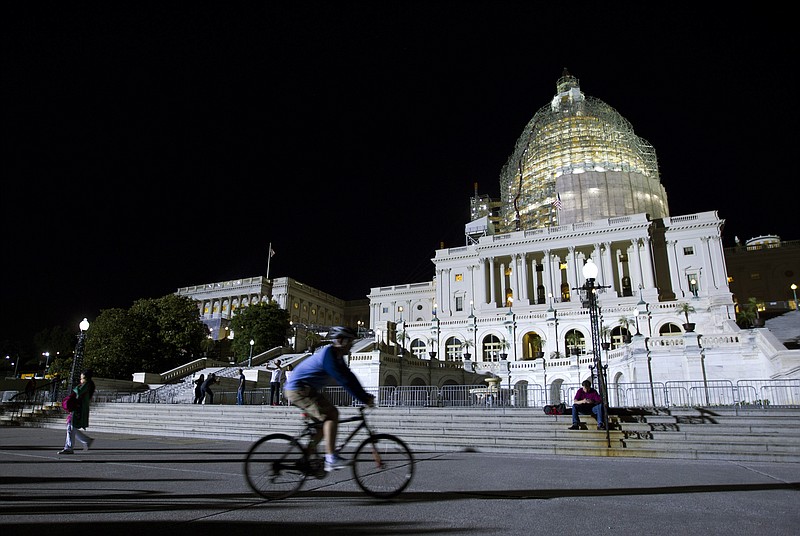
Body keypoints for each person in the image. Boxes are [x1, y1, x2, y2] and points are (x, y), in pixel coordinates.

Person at [284, 326, 375, 472]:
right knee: (332, 415)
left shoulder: (337, 357)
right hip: (299, 389)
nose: (352, 345)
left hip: (305, 389)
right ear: (340, 341)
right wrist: (363, 398)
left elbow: (349, 377)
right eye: (350, 341)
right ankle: (331, 458)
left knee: (322, 427)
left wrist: (364, 395)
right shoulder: (329, 355)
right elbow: (343, 380)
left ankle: (306, 457)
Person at [58, 369, 96, 454]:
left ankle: (69, 447)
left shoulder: (86, 384)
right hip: (79, 407)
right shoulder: (88, 384)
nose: (80, 379)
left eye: (81, 378)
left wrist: (77, 387)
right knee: (71, 426)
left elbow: (79, 391)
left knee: (71, 427)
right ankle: (86, 440)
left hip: (79, 408)